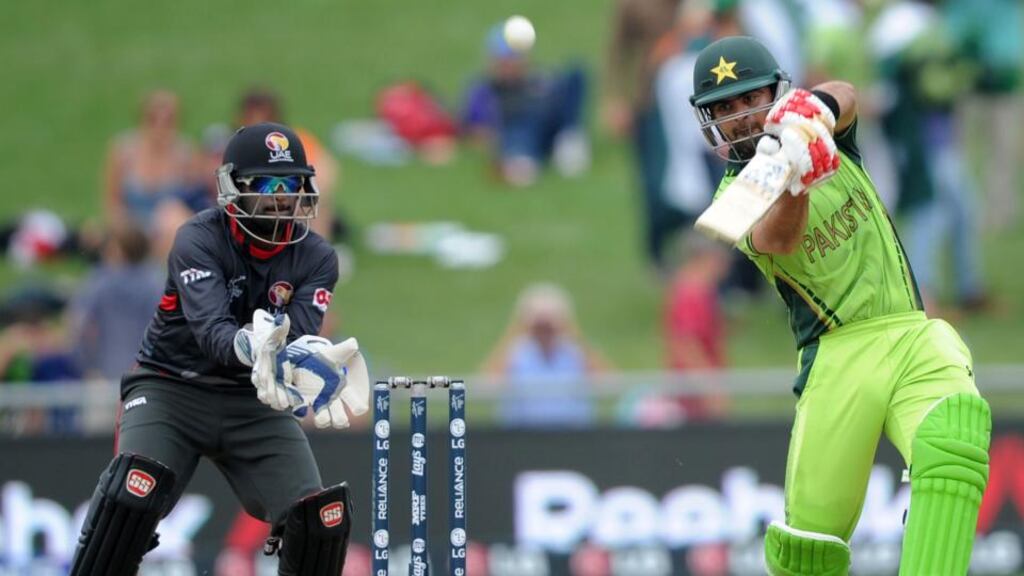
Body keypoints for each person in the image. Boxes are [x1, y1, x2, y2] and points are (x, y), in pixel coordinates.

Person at [688, 36, 990, 574]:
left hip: (910, 334)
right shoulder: (734, 198)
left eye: (750, 97)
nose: (741, 115)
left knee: (955, 434)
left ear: (776, 92)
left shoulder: (824, 133)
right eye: (725, 108)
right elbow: (778, 241)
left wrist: (812, 116)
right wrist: (796, 181)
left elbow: (846, 93)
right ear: (710, 123)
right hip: (836, 359)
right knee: (808, 549)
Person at [69, 122, 370, 575]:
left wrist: (317, 365)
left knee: (318, 519)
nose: (283, 197)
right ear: (234, 188)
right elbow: (212, 333)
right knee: (132, 496)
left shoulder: (317, 258)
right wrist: (258, 345)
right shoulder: (198, 239)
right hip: (173, 387)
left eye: (293, 184)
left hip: (254, 400)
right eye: (269, 184)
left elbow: (300, 339)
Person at [461, 25, 590, 186]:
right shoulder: (485, 92)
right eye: (504, 61)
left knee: (575, 73)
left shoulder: (538, 79)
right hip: (519, 132)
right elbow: (471, 129)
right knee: (523, 124)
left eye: (514, 59)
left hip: (551, 125)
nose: (509, 65)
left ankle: (569, 141)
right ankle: (521, 164)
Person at [482, 283, 609, 428]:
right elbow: (487, 386)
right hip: (524, 435)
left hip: (572, 433)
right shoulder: (516, 353)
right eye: (539, 325)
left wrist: (572, 332)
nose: (544, 330)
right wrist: (517, 331)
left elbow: (607, 384)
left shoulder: (575, 351)